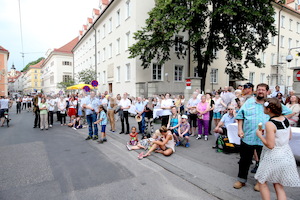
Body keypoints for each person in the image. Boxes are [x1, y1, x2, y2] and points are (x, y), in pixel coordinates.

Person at [233, 83, 292, 191]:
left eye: (263, 90)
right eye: (259, 89)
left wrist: (277, 120)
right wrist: (240, 129)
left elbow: (289, 112)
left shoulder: (271, 103)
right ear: (256, 91)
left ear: (267, 92)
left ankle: (260, 182)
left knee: (263, 161)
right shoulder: (249, 102)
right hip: (248, 136)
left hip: (264, 138)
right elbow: (240, 116)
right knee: (244, 160)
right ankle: (241, 180)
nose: (260, 91)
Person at [255, 98, 300, 199]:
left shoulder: (270, 124)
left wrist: (260, 135)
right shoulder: (285, 119)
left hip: (273, 156)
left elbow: (270, 145)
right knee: (278, 185)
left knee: (262, 181)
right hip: (286, 154)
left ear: (269, 110)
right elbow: (289, 137)